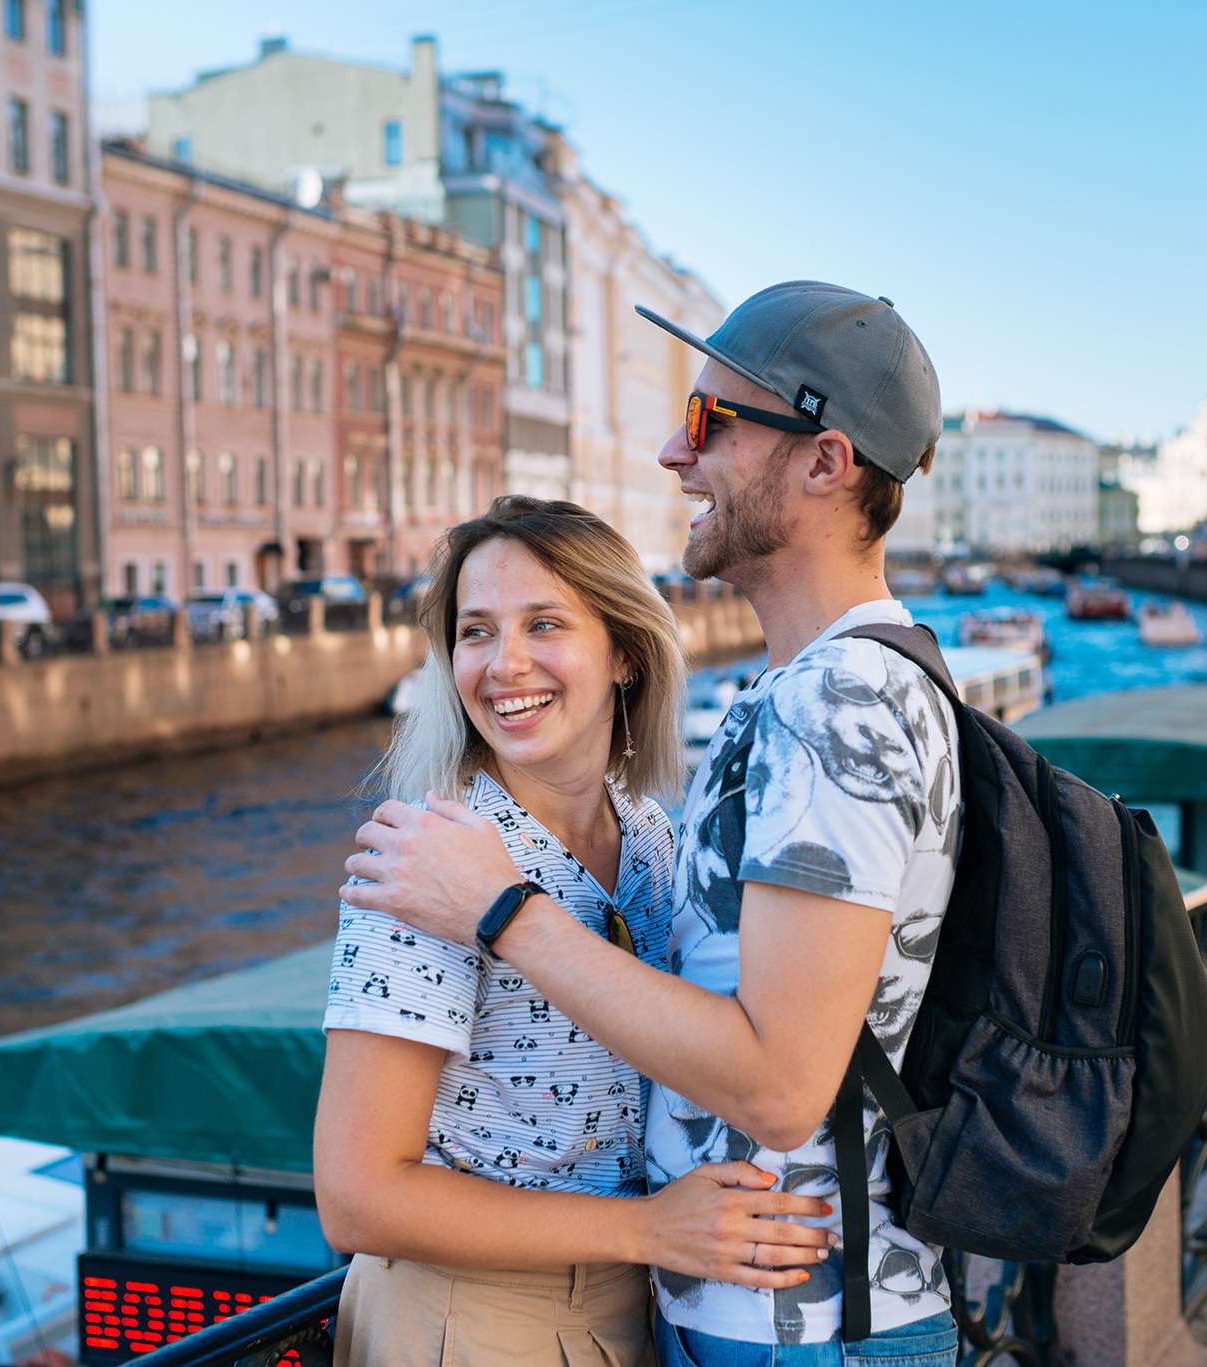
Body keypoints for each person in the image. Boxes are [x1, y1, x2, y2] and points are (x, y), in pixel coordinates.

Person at [342, 283, 963, 1366]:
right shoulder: (459, 847)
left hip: (796, 1316)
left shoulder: (829, 705)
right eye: (474, 631)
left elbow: (776, 1084)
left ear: (825, 462)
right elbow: (356, 1188)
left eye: (712, 421)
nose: (676, 455)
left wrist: (500, 908)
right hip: (654, 1306)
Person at [316, 496, 841, 1367]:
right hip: (472, 1319)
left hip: (625, 1302)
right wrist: (650, 1228)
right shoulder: (428, 857)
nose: (503, 664)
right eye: (475, 631)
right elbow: (357, 1196)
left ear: (626, 653)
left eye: (544, 623)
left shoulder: (650, 836)